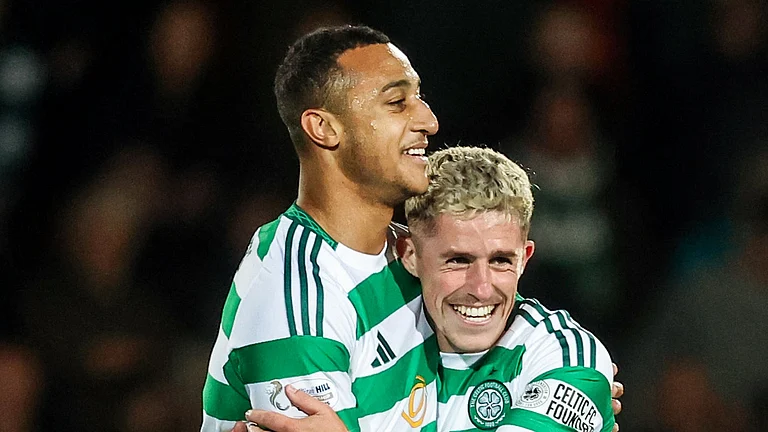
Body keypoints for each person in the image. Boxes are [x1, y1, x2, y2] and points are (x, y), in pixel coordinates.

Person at [244, 146, 617, 431]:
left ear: (525, 258)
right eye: (458, 261)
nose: (481, 288)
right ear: (410, 255)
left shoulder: (568, 358)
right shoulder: (367, 339)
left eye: (501, 260)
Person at [201, 24, 441, 431]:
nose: (429, 121)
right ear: (324, 128)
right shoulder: (296, 304)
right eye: (397, 102)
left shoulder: (412, 252)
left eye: (418, 97)